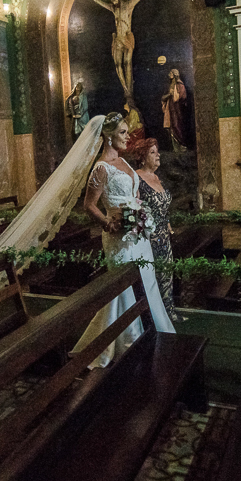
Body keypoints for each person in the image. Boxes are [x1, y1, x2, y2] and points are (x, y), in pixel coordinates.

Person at [73, 112, 175, 367]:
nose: (127, 136)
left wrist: (140, 212)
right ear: (107, 135)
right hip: (119, 238)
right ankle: (126, 340)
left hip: (138, 234)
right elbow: (89, 205)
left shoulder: (126, 164)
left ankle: (154, 331)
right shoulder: (101, 168)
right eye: (122, 132)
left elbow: (135, 194)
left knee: (147, 281)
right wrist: (108, 222)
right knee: (125, 289)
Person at [130, 139, 180, 322]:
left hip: (164, 236)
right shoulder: (136, 178)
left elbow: (164, 205)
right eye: (153, 152)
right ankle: (153, 317)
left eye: (157, 151)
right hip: (148, 237)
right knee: (152, 278)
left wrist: (167, 223)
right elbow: (133, 207)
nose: (158, 155)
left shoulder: (158, 177)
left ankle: (169, 313)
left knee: (166, 274)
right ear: (142, 157)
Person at [161, 68, 189, 151]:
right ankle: (175, 147)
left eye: (171, 73)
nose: (169, 74)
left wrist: (174, 95)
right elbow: (164, 97)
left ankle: (182, 144)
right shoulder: (169, 86)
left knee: (177, 125)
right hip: (170, 108)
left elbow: (183, 97)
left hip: (177, 109)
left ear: (175, 74)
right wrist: (169, 95)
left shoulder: (180, 85)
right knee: (170, 127)